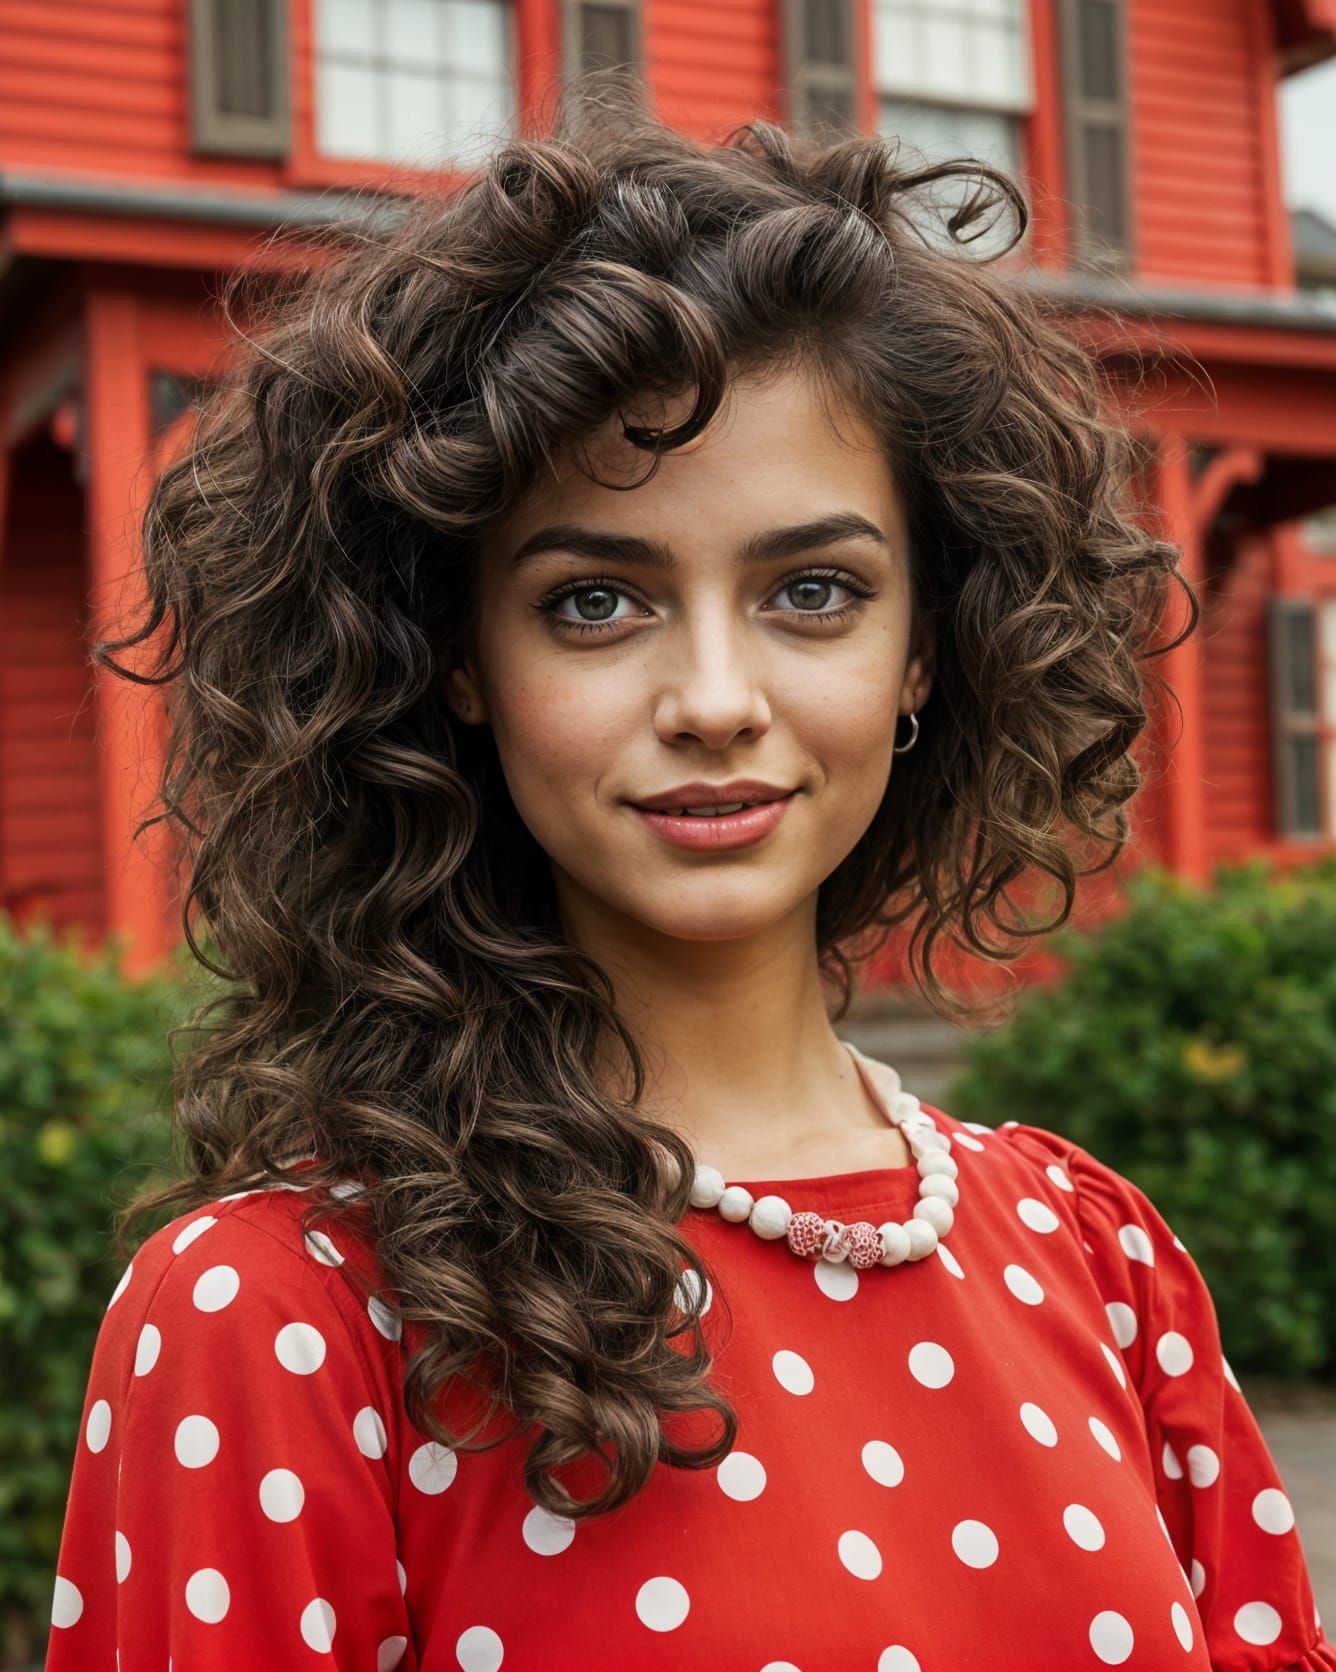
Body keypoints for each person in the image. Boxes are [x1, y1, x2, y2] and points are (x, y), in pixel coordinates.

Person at [45, 71, 1333, 1672]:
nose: (718, 699)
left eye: (813, 590)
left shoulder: (1105, 1261)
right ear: (459, 661)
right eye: (596, 601)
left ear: (928, 647)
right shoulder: (290, 1319)